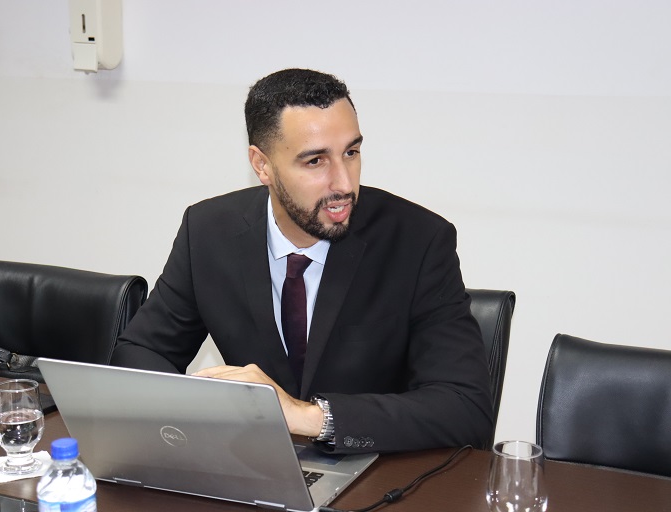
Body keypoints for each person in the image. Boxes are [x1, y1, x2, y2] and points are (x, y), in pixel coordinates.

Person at [111, 68, 493, 454]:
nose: (344, 184)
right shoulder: (209, 230)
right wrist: (203, 411)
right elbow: (141, 352)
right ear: (262, 165)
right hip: (251, 463)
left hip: (375, 472)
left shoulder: (418, 241)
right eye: (315, 161)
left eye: (351, 152)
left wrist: (311, 417)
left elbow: (466, 408)